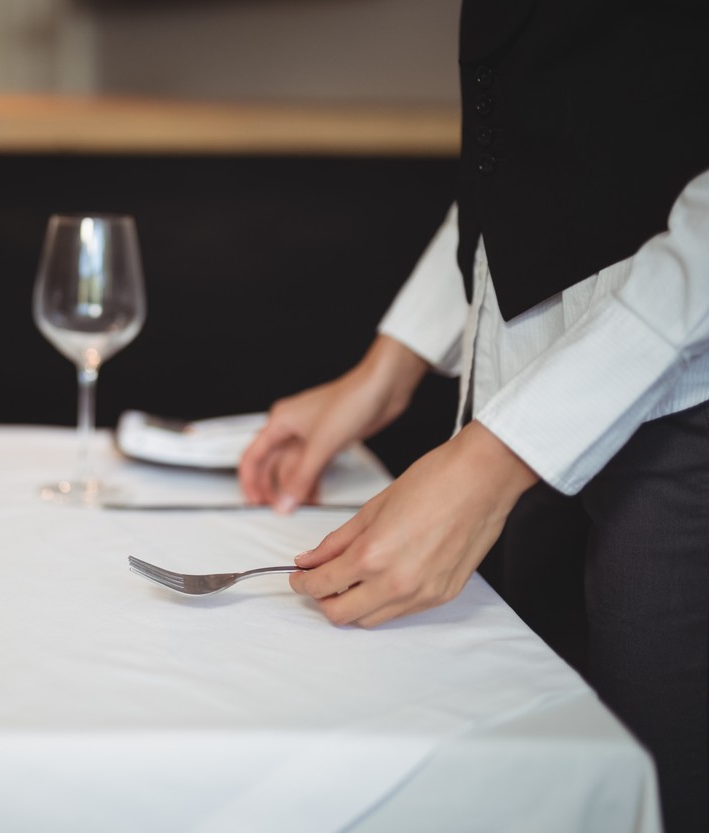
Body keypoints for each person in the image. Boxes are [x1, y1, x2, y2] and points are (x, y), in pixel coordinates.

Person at [237, 3, 709, 832]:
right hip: (511, 407)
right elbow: (539, 151)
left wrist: (497, 459)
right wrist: (388, 370)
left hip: (682, 433)